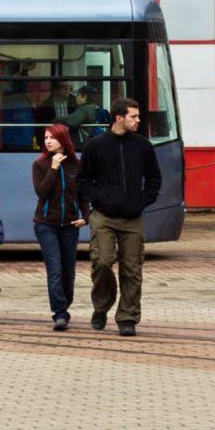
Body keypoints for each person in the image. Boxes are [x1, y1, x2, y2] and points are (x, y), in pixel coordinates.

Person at [78, 97, 161, 336]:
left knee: (132, 269)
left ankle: (127, 318)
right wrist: (99, 199)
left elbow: (154, 179)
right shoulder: (95, 145)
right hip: (103, 215)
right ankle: (101, 306)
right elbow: (83, 180)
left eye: (138, 116)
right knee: (102, 261)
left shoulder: (142, 146)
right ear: (119, 118)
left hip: (133, 218)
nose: (138, 120)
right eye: (133, 116)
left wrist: (142, 201)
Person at [32, 123, 88, 330]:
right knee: (54, 269)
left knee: (68, 272)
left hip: (70, 226)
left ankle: (65, 304)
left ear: (63, 140)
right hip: (46, 225)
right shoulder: (40, 165)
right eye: (46, 138)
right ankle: (60, 312)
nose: (48, 141)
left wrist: (86, 217)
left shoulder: (76, 165)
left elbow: (83, 196)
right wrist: (54, 168)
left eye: (52, 137)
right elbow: (41, 192)